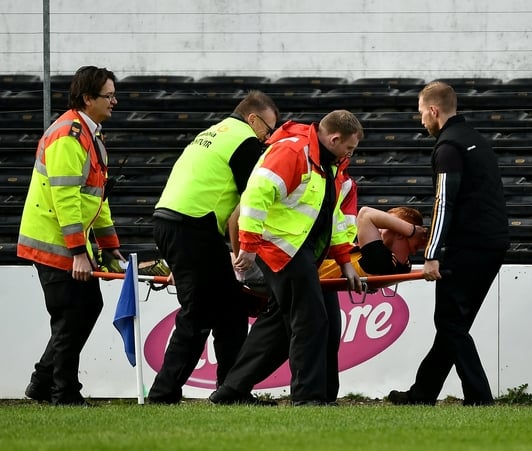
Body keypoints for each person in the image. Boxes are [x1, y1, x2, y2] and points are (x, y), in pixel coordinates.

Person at [208, 206, 428, 405]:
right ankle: (236, 390)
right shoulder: (392, 260)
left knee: (304, 334)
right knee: (294, 335)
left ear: (400, 233)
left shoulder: (382, 258)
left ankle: (235, 390)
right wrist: (410, 230)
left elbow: (366, 215)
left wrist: (409, 229)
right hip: (297, 276)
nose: (380, 231)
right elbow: (365, 217)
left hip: (305, 277)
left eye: (387, 227)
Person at [146, 90, 279, 404]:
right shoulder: (244, 140)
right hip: (193, 227)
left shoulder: (213, 132)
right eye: (268, 129)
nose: (267, 137)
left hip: (174, 223)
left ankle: (230, 390)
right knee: (198, 314)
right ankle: (163, 393)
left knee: (230, 311)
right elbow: (256, 196)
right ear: (253, 118)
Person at [230, 110, 364, 406]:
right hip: (281, 249)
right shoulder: (293, 151)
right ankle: (309, 398)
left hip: (301, 252)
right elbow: (254, 196)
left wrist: (344, 263)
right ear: (334, 138)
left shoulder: (331, 164)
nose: (351, 155)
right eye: (349, 148)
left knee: (288, 325)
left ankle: (231, 390)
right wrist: (248, 247)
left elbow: (337, 220)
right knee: (312, 321)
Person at [388, 81, 509, 406]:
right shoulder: (477, 141)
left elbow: (444, 203)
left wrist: (432, 254)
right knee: (454, 325)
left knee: (449, 323)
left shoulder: (448, 147)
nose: (421, 121)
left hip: (466, 247)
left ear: (433, 110)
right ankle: (423, 393)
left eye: (421, 114)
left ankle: (480, 397)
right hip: (493, 244)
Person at [17, 66, 124, 406]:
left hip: (68, 243)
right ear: (87, 98)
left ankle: (43, 382)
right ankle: (63, 393)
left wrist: (110, 249)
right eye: (108, 96)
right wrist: (79, 251)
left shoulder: (90, 135)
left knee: (86, 307)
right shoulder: (69, 136)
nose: (115, 101)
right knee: (71, 315)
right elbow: (64, 198)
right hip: (55, 244)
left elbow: (95, 199)